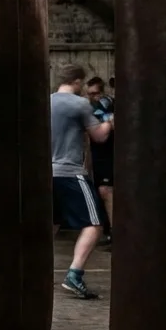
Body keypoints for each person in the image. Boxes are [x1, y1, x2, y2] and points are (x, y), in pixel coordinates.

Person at [51, 65, 114, 299]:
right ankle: (74, 274)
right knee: (95, 224)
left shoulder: (46, 102)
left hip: (47, 173)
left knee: (52, 224)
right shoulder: (79, 104)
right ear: (77, 82)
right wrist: (110, 121)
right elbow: (100, 136)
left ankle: (37, 273)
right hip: (70, 172)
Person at [85, 77, 116, 238]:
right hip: (98, 154)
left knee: (106, 191)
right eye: (90, 94)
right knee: (101, 192)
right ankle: (109, 231)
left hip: (109, 153)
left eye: (96, 93)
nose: (93, 97)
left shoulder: (106, 104)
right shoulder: (91, 107)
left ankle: (114, 233)